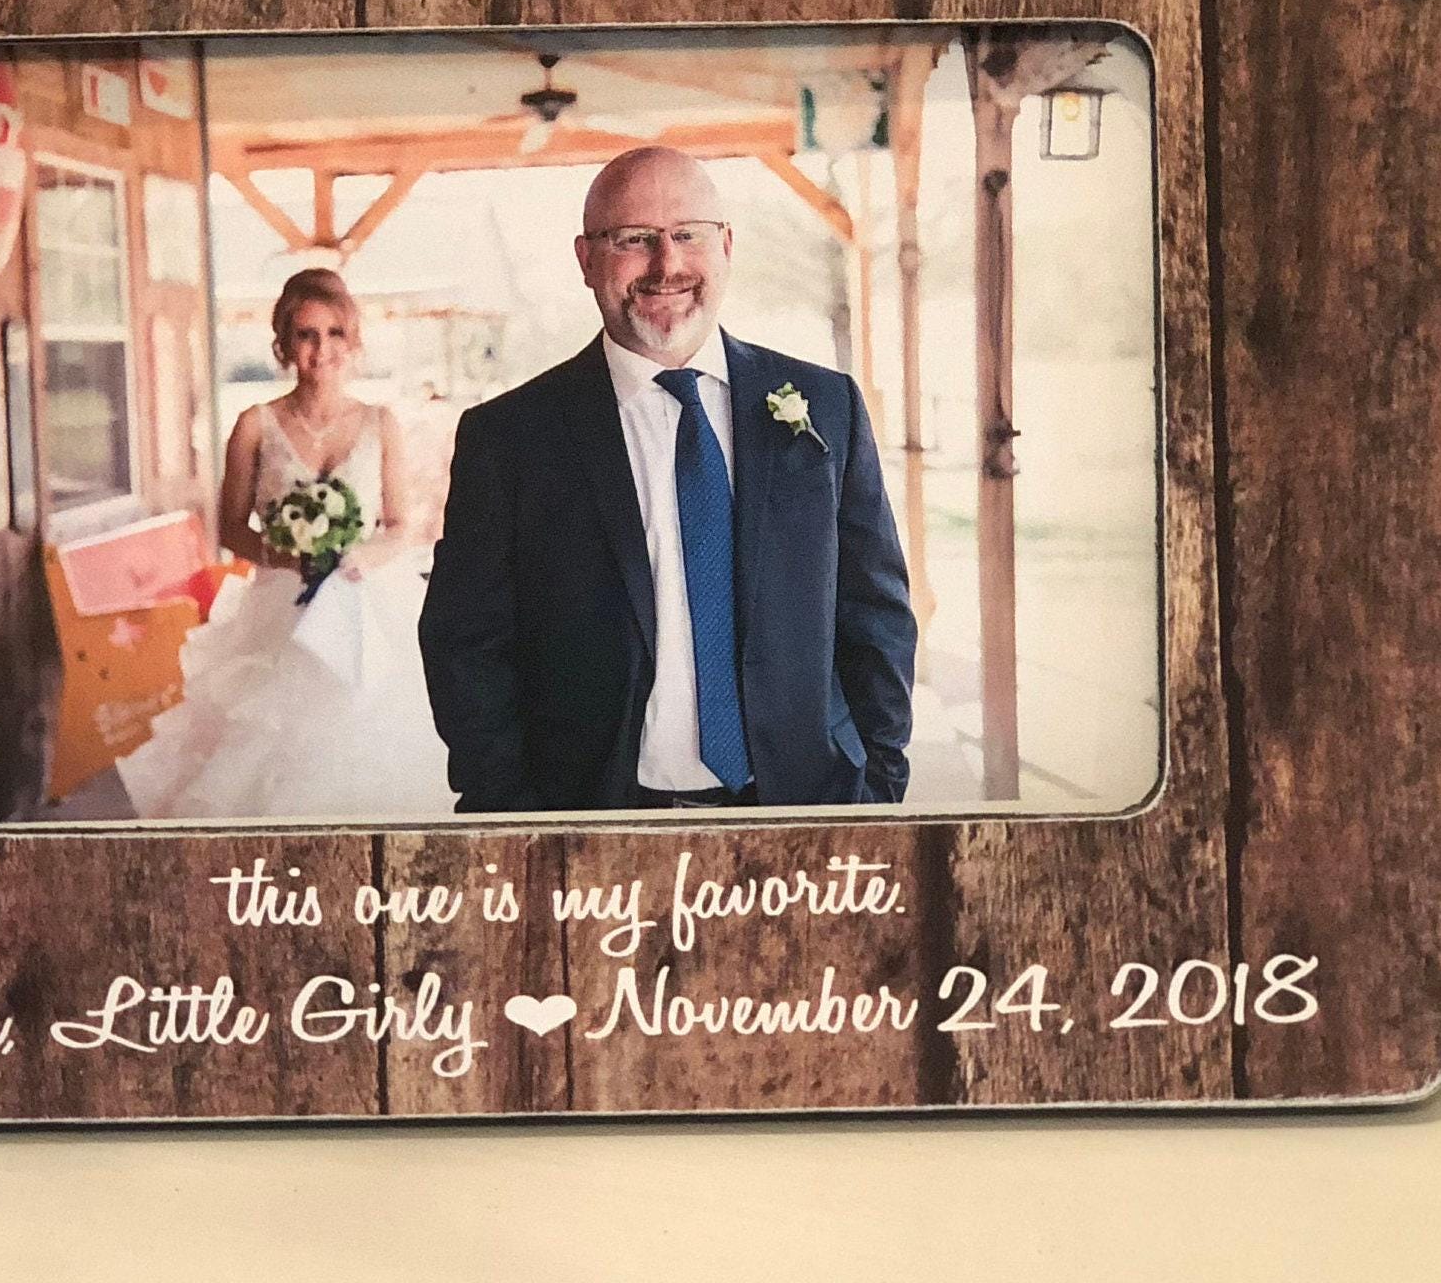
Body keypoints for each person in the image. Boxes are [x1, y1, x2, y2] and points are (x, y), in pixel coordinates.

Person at [419, 147, 916, 813]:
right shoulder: (510, 438)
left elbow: (876, 615)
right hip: (589, 817)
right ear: (586, 259)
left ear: (727, 246)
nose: (666, 264)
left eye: (688, 234)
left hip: (805, 807)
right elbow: (466, 645)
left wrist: (878, 783)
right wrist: (510, 806)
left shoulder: (827, 407)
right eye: (633, 239)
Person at [116, 269, 453, 821]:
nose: (322, 350)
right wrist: (288, 557)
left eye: (335, 333)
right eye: (306, 335)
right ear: (284, 344)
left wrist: (359, 557)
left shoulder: (380, 422)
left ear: (353, 340)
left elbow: (400, 526)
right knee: (267, 746)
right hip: (281, 603)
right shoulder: (256, 424)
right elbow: (230, 528)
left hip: (364, 600)